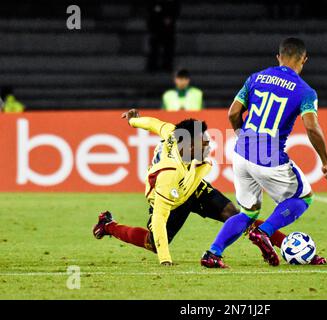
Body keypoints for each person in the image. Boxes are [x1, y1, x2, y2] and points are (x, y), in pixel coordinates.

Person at [201, 38, 327, 268]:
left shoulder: (255, 78)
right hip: (269, 156)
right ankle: (264, 232)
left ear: (278, 56)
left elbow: (233, 113)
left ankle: (213, 253)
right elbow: (312, 127)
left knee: (247, 212)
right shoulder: (305, 91)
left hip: (241, 154)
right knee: (303, 198)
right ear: (304, 59)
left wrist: (241, 135)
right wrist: (326, 161)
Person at [93, 109, 287, 266]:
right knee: (154, 243)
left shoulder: (173, 133)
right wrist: (165, 260)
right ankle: (109, 226)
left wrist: (134, 120)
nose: (209, 147)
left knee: (234, 213)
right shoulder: (169, 171)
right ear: (190, 145)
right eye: (204, 143)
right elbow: (160, 218)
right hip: (170, 198)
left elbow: (153, 124)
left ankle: (285, 245)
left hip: (192, 186)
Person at [146, 0, 179, 72]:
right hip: (156, 26)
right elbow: (152, 9)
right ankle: (153, 66)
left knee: (168, 47)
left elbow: (176, 9)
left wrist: (170, 18)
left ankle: (166, 66)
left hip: (168, 27)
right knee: (155, 47)